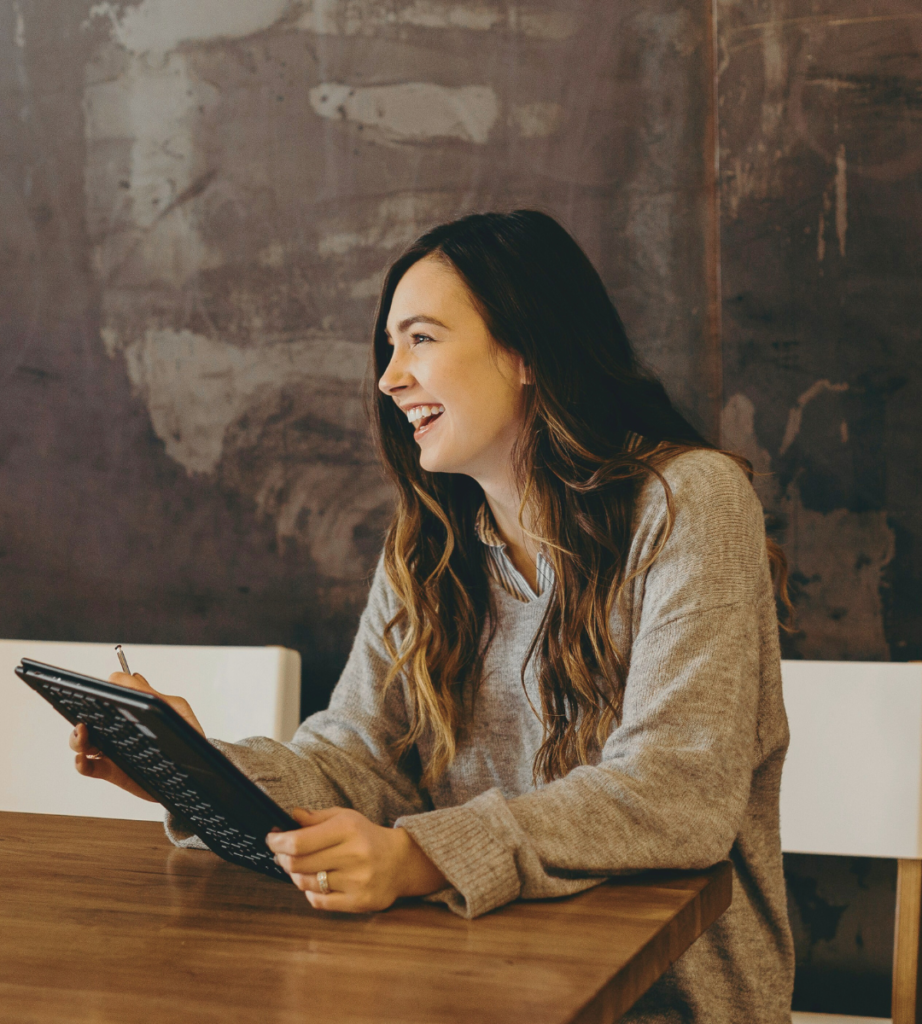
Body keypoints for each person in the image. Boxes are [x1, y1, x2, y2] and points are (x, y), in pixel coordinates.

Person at [70, 210, 794, 1021]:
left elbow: (674, 794)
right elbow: (357, 762)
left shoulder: (688, 502)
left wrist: (419, 857)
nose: (388, 378)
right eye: (388, 347)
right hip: (465, 982)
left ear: (524, 350)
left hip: (660, 1001)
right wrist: (196, 770)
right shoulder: (428, 546)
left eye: (419, 338)